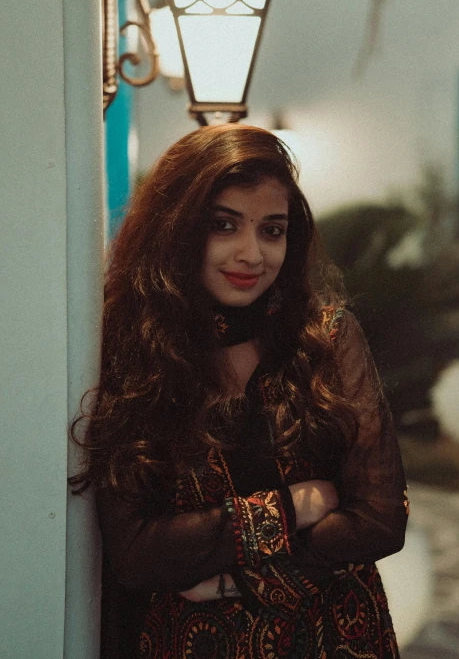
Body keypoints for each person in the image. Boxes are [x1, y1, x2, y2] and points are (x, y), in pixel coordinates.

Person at [70, 124, 409, 659]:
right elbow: (137, 553)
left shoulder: (326, 339)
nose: (251, 254)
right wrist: (296, 504)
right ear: (178, 229)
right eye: (224, 225)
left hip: (336, 637)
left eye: (272, 230)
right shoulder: (134, 352)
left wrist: (234, 582)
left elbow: (380, 520)